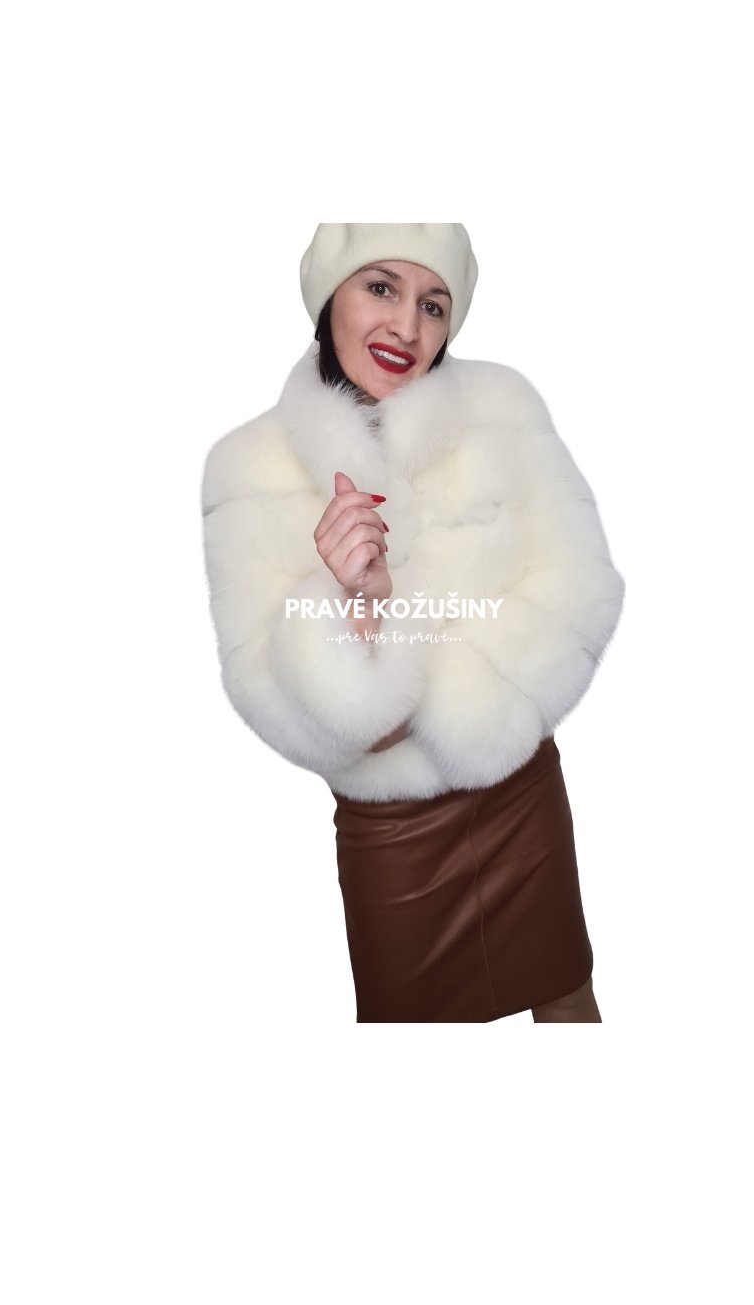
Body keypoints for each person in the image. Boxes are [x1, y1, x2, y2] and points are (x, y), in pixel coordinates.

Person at [200, 223, 625, 1023]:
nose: (407, 328)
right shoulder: (245, 466)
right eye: (381, 287)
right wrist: (357, 608)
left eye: (434, 304)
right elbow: (264, 691)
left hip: (519, 792)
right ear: (328, 295)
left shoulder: (502, 407)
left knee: (568, 996)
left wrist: (464, 704)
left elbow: (581, 589)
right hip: (393, 835)